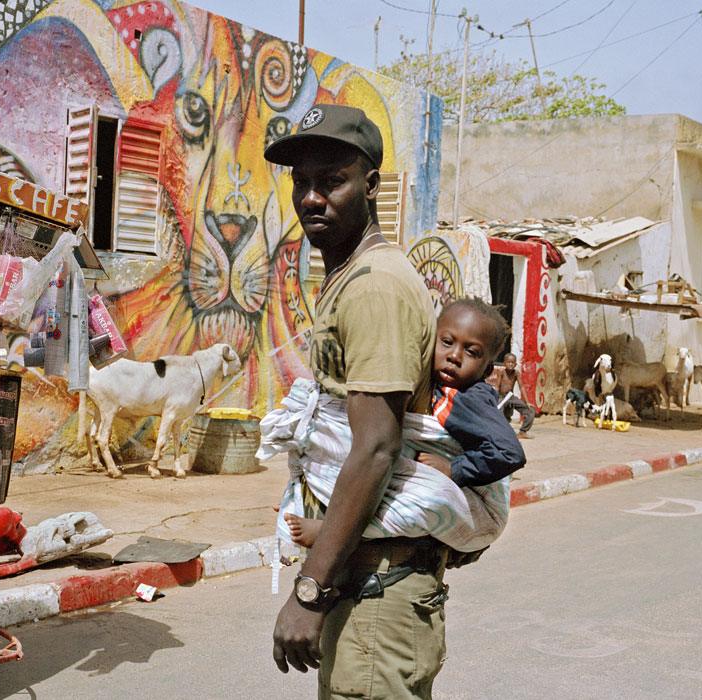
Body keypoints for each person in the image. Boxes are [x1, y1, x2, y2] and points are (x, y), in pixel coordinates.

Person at [264, 103, 454, 699]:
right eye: (302, 182)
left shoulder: (374, 289)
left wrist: (310, 590)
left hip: (376, 590)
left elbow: (375, 448)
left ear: (371, 185)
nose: (312, 198)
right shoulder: (354, 276)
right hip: (366, 579)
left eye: (332, 181)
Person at [285, 297, 527, 548]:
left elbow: (509, 452)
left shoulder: (470, 399)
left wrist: (454, 468)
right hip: (465, 505)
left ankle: (335, 532)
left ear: (487, 370)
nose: (454, 356)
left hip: (485, 517)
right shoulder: (436, 387)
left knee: (424, 502)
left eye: (471, 352)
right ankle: (313, 497)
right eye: (446, 342)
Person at [493, 352, 536, 438]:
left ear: (515, 364)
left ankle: (523, 432)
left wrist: (527, 402)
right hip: (501, 397)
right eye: (508, 362)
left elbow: (522, 387)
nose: (510, 364)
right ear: (504, 363)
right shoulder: (501, 372)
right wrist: (495, 400)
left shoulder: (516, 373)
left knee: (530, 411)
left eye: (512, 363)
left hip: (510, 397)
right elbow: (497, 387)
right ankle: (498, 433)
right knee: (499, 414)